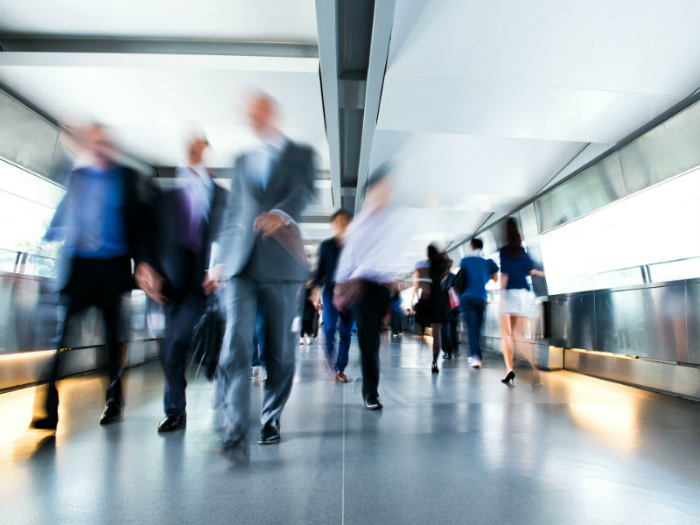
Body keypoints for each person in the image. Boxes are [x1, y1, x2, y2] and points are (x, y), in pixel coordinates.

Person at [206, 92, 316, 456]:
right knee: (234, 343)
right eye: (248, 112)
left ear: (272, 112)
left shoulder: (300, 154)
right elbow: (231, 213)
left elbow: (303, 191)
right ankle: (236, 426)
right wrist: (218, 259)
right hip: (240, 267)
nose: (252, 116)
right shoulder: (241, 160)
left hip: (282, 265)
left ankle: (270, 417)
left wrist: (281, 212)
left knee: (279, 350)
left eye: (258, 110)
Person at [30, 124, 152, 430]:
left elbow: (139, 225)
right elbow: (57, 193)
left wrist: (144, 264)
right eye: (92, 142)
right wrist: (69, 149)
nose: (97, 147)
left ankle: (113, 402)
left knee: (113, 341)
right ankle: (47, 408)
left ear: (110, 147)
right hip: (80, 270)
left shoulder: (126, 178)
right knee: (63, 339)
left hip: (112, 269)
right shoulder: (77, 176)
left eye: (103, 142)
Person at [143, 133, 228, 432]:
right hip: (167, 283)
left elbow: (227, 232)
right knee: (169, 348)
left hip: (200, 280)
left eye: (200, 147)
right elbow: (150, 239)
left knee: (182, 339)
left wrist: (217, 265)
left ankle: (215, 370)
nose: (194, 153)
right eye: (191, 148)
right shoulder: (168, 198)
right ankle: (175, 411)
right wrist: (148, 269)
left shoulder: (219, 195)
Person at [334, 164, 408, 410]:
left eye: (388, 190)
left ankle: (370, 386)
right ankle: (371, 392)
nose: (385, 194)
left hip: (382, 288)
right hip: (362, 287)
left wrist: (396, 276)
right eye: (382, 189)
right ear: (371, 193)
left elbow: (397, 251)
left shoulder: (393, 222)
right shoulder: (359, 224)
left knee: (374, 338)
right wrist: (339, 289)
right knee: (370, 342)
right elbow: (348, 257)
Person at [498, 218, 545, 386]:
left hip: (510, 293)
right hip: (524, 294)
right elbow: (531, 270)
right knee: (520, 336)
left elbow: (505, 275)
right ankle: (535, 369)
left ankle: (509, 369)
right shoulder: (522, 251)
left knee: (507, 335)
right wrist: (543, 274)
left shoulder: (504, 251)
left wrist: (501, 297)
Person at [311, 209, 354, 382]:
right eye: (338, 222)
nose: (341, 225)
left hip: (350, 293)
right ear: (334, 225)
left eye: (345, 221)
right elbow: (319, 273)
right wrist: (316, 294)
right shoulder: (326, 246)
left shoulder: (355, 245)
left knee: (345, 332)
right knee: (329, 328)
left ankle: (340, 368)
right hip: (329, 292)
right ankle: (329, 356)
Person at [457, 238, 498, 369]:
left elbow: (462, 277)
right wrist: (484, 277)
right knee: (478, 328)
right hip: (481, 298)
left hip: (467, 298)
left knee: (471, 327)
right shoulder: (487, 262)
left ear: (472, 247)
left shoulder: (465, 261)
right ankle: (475, 355)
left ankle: (475, 356)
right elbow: (496, 279)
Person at [300, 280, 319, 346]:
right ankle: (301, 337)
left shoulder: (313, 286)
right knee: (303, 322)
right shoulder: (302, 286)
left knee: (309, 322)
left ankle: (308, 336)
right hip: (303, 306)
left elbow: (316, 295)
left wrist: (316, 301)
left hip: (310, 307)